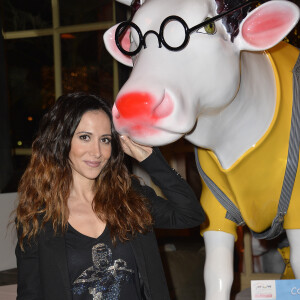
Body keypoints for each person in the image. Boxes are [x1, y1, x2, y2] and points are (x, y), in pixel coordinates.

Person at [15, 92, 205, 300]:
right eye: (85, 137)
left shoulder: (129, 197)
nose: (97, 151)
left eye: (105, 139)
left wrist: (152, 161)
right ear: (62, 140)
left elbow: (191, 214)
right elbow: (29, 294)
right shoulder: (38, 217)